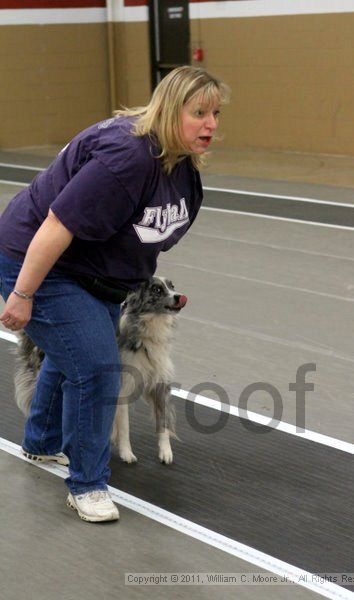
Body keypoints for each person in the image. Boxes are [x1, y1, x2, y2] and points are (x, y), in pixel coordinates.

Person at [0, 66, 229, 523]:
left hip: (96, 275)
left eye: (216, 113)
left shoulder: (181, 167)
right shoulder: (127, 159)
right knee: (98, 369)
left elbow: (148, 236)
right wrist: (22, 294)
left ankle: (43, 442)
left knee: (75, 357)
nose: (211, 124)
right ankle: (87, 484)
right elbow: (56, 226)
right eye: (199, 112)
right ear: (168, 111)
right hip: (41, 262)